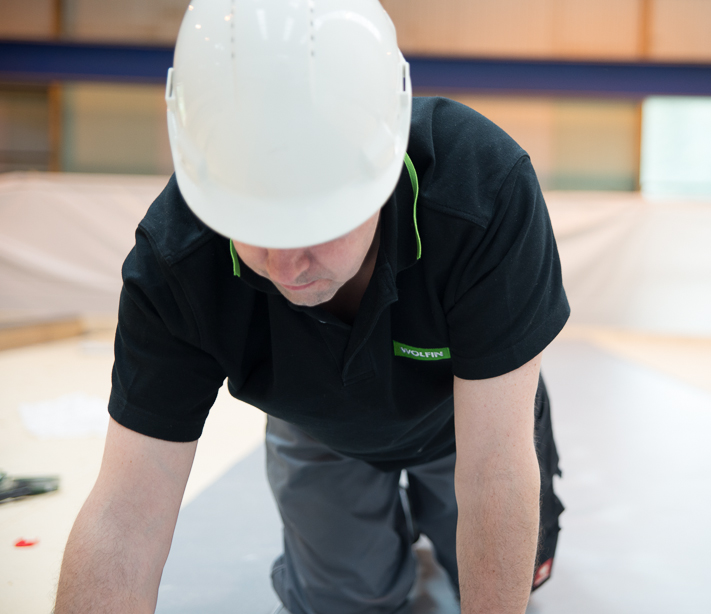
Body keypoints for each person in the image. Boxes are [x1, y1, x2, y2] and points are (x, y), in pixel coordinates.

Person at [54, 1, 568, 612]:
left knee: (512, 574)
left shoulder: (482, 191)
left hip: (469, 418)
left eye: (319, 225)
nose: (287, 266)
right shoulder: (178, 261)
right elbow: (125, 516)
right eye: (254, 227)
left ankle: (429, 519)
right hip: (320, 426)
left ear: (382, 174)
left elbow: (494, 467)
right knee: (345, 602)